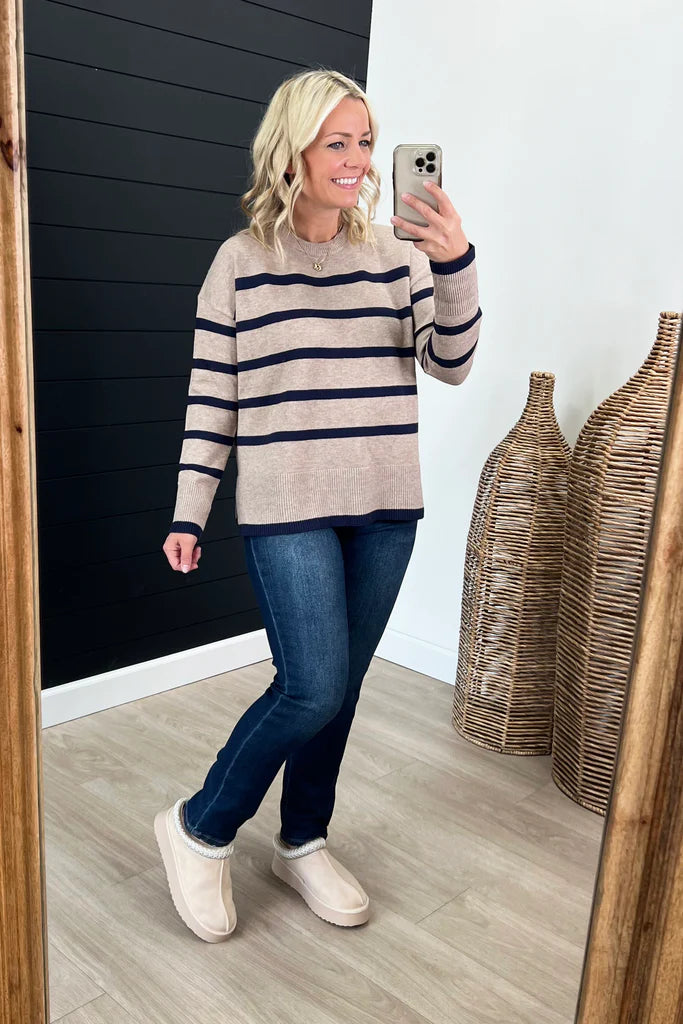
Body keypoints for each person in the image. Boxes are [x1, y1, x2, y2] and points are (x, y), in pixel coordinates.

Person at [154, 68, 482, 943]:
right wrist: (190, 509)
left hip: (384, 507)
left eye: (365, 142)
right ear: (291, 149)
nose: (357, 160)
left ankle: (301, 840)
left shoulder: (398, 255)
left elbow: (450, 364)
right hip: (286, 504)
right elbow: (211, 397)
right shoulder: (240, 261)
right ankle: (200, 826)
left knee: (341, 689)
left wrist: (453, 263)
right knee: (311, 686)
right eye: (337, 142)